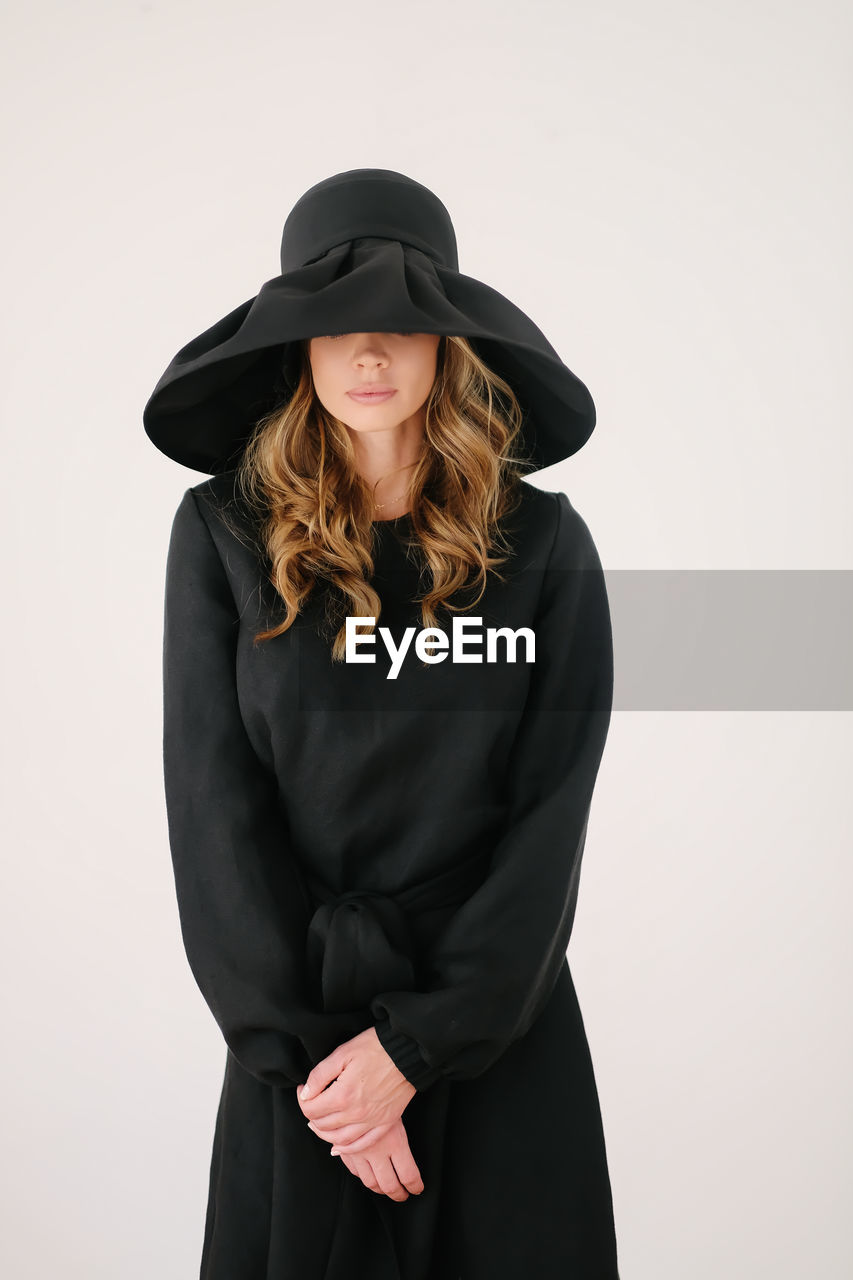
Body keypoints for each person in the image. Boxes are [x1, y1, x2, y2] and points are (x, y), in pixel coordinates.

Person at [144, 168, 620, 1279]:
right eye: (336, 326)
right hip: (304, 1068)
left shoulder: (544, 546)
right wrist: (333, 1077)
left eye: (401, 327)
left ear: (447, 344)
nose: (368, 355)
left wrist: (416, 1046)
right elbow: (213, 814)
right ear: (296, 346)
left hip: (498, 1036)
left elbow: (551, 819)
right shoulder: (219, 537)